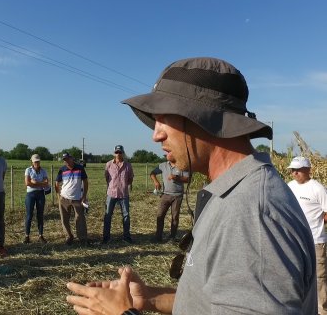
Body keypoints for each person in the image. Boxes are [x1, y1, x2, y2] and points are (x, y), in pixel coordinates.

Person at [67, 57, 317, 314]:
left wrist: (122, 313)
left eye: (165, 117)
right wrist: (150, 299)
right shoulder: (235, 193)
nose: (156, 134)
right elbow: (212, 303)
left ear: (203, 117)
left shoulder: (250, 214)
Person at [288, 156, 327, 315]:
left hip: (316, 242)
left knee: (319, 280)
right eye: (292, 170)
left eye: (298, 170)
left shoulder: (317, 188)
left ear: (308, 170)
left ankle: (322, 311)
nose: (294, 173)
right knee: (295, 278)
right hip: (294, 241)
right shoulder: (289, 186)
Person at [150, 158, 189, 242]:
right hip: (165, 195)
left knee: (175, 217)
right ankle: (158, 237)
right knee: (160, 215)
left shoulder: (182, 165)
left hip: (177, 195)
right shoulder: (163, 165)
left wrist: (176, 177)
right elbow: (152, 173)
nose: (169, 156)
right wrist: (156, 182)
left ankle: (172, 237)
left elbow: (187, 179)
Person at [55, 152, 89, 245]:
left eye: (67, 159)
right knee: (64, 219)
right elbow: (57, 183)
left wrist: (84, 195)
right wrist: (58, 196)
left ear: (71, 158)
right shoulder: (62, 169)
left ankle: (82, 239)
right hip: (64, 198)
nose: (66, 161)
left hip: (77, 198)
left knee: (80, 219)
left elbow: (85, 182)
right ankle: (69, 237)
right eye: (64, 160)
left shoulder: (80, 168)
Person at [103, 145, 134, 244]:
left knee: (126, 216)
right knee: (108, 216)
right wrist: (112, 186)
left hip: (123, 194)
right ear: (114, 153)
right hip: (111, 193)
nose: (118, 154)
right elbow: (107, 178)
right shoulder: (108, 164)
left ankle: (126, 237)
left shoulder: (128, 165)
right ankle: (106, 238)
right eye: (116, 152)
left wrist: (123, 185)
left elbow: (130, 179)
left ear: (123, 153)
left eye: (120, 152)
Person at [23, 154, 49, 244]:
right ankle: (27, 236)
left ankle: (40, 235)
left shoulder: (43, 171)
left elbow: (46, 183)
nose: (37, 163)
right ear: (32, 162)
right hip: (30, 194)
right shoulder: (28, 170)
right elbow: (27, 183)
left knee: (40, 215)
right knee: (29, 215)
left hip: (40, 194)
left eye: (38, 161)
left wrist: (35, 182)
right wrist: (40, 183)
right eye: (35, 161)